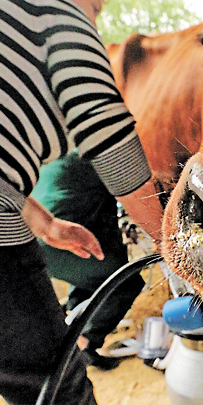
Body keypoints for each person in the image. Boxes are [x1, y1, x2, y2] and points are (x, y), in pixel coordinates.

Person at [0, 0, 165, 405]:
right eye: (94, 8)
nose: (93, 24)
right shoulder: (48, 8)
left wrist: (39, 220)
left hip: (2, 210)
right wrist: (172, 240)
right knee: (47, 379)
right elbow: (109, 136)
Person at [31, 149, 145, 370]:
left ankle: (73, 331)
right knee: (125, 280)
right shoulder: (102, 153)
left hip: (40, 242)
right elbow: (133, 194)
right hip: (59, 239)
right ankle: (85, 345)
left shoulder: (59, 156)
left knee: (89, 276)